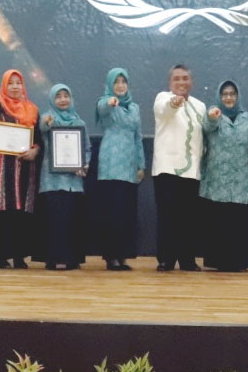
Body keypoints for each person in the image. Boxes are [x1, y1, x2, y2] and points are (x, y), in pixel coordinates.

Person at [0, 69, 40, 268]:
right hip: (3, 168)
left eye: (18, 83)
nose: (15, 87)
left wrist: (35, 151)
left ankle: (19, 256)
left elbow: (38, 138)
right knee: (3, 211)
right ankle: (1, 256)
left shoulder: (32, 109)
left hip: (24, 167)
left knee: (20, 213)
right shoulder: (0, 107)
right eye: (11, 83)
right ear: (4, 86)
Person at [199, 80, 248, 272]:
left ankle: (239, 262)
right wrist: (212, 117)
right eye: (224, 94)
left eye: (232, 94)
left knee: (239, 221)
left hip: (242, 179)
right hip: (217, 178)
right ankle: (218, 261)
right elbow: (206, 128)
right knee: (219, 220)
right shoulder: (214, 114)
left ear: (238, 96)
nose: (228, 97)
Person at [152, 64, 206, 272]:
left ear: (191, 82)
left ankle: (187, 259)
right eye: (177, 79)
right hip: (167, 168)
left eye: (185, 78)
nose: (181, 82)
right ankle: (166, 259)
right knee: (168, 216)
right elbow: (164, 110)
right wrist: (174, 103)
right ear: (170, 82)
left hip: (192, 170)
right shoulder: (163, 98)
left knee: (189, 218)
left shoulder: (200, 106)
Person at [94, 68, 145, 271]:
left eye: (124, 82)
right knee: (112, 212)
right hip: (110, 164)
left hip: (129, 165)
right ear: (110, 85)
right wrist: (110, 102)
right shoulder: (105, 102)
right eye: (116, 82)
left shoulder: (134, 108)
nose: (120, 86)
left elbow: (138, 136)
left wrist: (141, 164)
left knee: (126, 212)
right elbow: (101, 109)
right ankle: (111, 256)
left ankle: (123, 255)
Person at [39, 83, 91, 270]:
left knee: (72, 221)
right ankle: (53, 259)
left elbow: (86, 148)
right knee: (55, 221)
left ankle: (72, 259)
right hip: (52, 181)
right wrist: (48, 122)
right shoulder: (48, 117)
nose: (63, 100)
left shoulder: (80, 123)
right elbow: (43, 126)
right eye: (58, 96)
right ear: (52, 99)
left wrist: (84, 165)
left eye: (66, 96)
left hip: (74, 182)